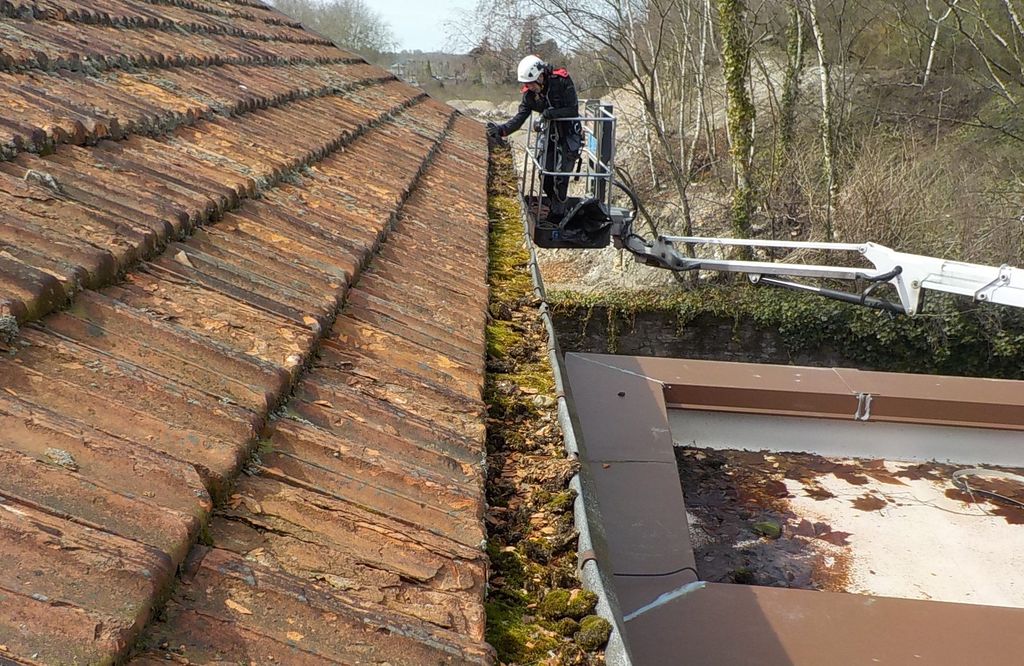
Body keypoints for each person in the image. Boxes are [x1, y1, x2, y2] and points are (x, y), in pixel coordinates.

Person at [487, 55, 582, 222]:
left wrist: (549, 114)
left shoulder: (561, 81)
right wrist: (502, 130)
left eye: (531, 83)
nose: (529, 87)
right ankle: (556, 207)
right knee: (545, 176)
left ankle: (558, 215)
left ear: (540, 76)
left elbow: (572, 110)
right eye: (526, 84)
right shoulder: (530, 95)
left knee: (561, 179)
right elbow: (520, 117)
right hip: (550, 134)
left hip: (568, 134)